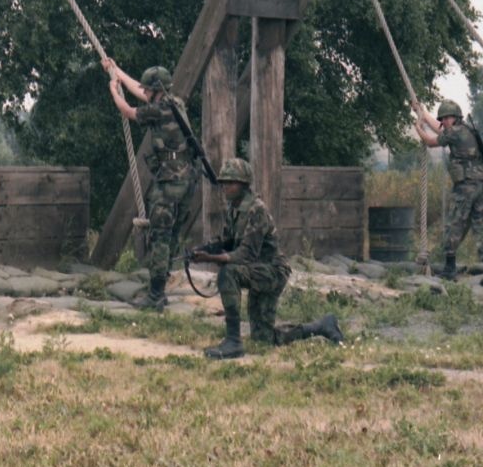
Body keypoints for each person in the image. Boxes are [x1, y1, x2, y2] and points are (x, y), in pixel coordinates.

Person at [190, 157, 342, 359]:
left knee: (229, 273)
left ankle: (233, 341)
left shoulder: (256, 209)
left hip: (272, 272)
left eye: (231, 183)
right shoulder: (234, 208)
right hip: (258, 271)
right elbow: (227, 240)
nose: (225, 187)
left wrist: (212, 258)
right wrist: (204, 249)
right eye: (224, 183)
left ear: (243, 185)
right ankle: (321, 326)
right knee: (265, 338)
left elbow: (246, 254)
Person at [103, 58, 200, 309]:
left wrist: (114, 90)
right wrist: (117, 71)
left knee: (160, 236)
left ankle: (155, 295)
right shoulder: (174, 103)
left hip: (169, 182)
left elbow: (128, 111)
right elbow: (139, 87)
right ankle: (162, 288)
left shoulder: (157, 110)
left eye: (149, 90)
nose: (145, 92)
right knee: (172, 234)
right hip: (187, 180)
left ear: (157, 90)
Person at [413, 99, 483, 289]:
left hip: (467, 187)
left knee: (454, 224)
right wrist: (423, 112)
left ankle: (450, 268)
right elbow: (441, 129)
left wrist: (418, 127)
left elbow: (430, 141)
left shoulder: (454, 132)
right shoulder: (466, 130)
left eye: (444, 119)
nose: (443, 122)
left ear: (452, 118)